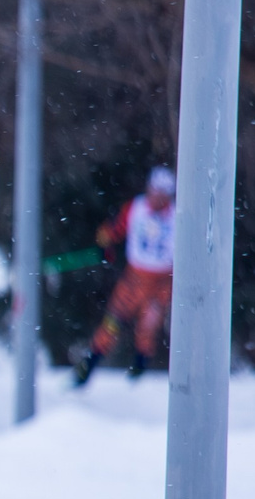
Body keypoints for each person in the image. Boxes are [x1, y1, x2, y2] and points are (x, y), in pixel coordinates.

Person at [73, 165, 177, 386]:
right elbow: (111, 230)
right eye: (154, 192)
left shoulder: (178, 216)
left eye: (162, 195)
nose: (157, 199)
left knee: (148, 327)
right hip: (134, 278)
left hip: (162, 282)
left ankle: (138, 372)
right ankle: (87, 368)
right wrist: (105, 243)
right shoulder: (136, 208)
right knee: (112, 322)